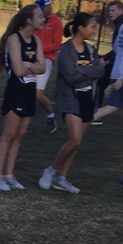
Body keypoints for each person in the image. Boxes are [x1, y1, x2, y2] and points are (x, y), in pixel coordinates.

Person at [39, 13, 104, 194]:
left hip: (87, 99)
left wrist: (83, 69)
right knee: (74, 140)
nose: (93, 30)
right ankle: (51, 171)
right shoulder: (67, 50)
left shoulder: (90, 50)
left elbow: (100, 71)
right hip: (70, 99)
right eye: (91, 26)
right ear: (81, 28)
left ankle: (61, 178)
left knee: (77, 142)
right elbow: (72, 77)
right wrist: (88, 72)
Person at [0, 4, 46, 191]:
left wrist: (28, 64)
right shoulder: (14, 40)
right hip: (15, 91)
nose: (43, 19)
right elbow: (18, 70)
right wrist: (32, 66)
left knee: (19, 135)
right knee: (9, 134)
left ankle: (9, 175)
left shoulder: (36, 40)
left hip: (30, 92)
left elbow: (43, 67)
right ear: (29, 20)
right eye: (39, 16)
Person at [34, 0, 63, 133]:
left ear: (50, 6)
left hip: (46, 59)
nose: (42, 11)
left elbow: (57, 44)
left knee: (37, 93)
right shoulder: (37, 19)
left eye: (43, 8)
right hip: (32, 57)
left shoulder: (56, 22)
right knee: (26, 89)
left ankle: (51, 116)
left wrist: (40, 50)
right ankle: (22, 119)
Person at [93, 0, 123, 125]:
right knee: (113, 105)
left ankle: (86, 117)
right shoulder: (121, 24)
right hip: (119, 75)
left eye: (113, 10)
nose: (110, 13)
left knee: (113, 105)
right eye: (109, 10)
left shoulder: (120, 25)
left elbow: (117, 49)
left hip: (117, 72)